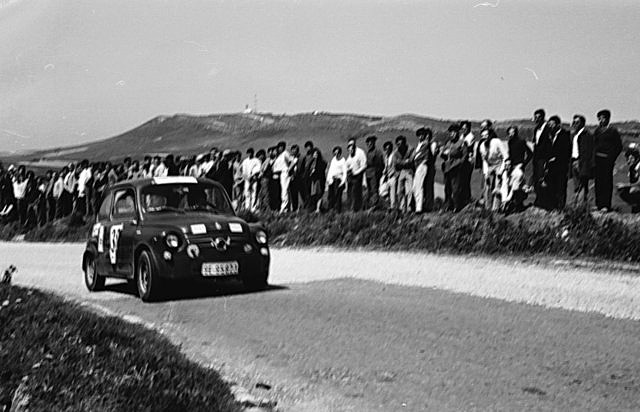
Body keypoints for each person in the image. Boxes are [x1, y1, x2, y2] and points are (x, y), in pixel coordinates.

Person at [593, 109, 623, 211]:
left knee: (606, 182)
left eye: (603, 118)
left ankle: (606, 205)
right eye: (599, 119)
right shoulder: (597, 131)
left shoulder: (612, 131)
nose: (601, 120)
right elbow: (594, 144)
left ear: (607, 119)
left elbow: (618, 146)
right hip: (597, 159)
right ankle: (598, 204)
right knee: (598, 182)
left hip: (607, 160)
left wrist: (611, 157)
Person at [544, 115, 572, 210]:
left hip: (561, 166)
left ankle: (560, 207)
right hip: (551, 166)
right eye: (549, 124)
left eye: (552, 124)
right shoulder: (550, 135)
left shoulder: (564, 135)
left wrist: (556, 158)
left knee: (560, 186)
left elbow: (566, 151)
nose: (550, 126)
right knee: (551, 186)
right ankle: (552, 206)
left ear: (558, 125)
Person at [504, 126, 532, 212]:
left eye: (512, 132)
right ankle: (514, 205)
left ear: (516, 132)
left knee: (517, 186)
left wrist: (523, 164)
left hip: (519, 166)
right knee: (511, 185)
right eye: (509, 132)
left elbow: (530, 153)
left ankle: (518, 205)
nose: (511, 134)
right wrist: (508, 161)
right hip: (511, 166)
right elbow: (511, 154)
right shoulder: (510, 142)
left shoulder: (521, 141)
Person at [478, 129, 508, 211]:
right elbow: (484, 160)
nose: (485, 137)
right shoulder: (482, 146)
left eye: (486, 135)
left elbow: (505, 155)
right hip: (489, 165)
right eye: (483, 136)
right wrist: (486, 172)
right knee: (487, 187)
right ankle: (488, 207)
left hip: (499, 164)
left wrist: (501, 170)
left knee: (497, 187)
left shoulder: (496, 142)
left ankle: (496, 208)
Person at [442, 125, 469, 211]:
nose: (452, 134)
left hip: (456, 167)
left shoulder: (461, 143)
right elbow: (444, 154)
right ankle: (448, 205)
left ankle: (457, 205)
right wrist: (443, 154)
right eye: (451, 132)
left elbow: (465, 156)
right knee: (447, 188)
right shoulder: (448, 143)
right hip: (447, 167)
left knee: (456, 188)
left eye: (454, 132)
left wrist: (459, 163)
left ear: (457, 133)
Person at [570, 114, 594, 206]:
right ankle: (576, 203)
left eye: (577, 122)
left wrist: (585, 163)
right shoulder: (574, 135)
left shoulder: (587, 135)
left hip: (582, 162)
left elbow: (588, 150)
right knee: (576, 184)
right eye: (574, 122)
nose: (575, 124)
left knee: (583, 184)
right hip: (574, 160)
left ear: (582, 123)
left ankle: (581, 204)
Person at [531, 109, 553, 208]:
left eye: (538, 117)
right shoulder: (536, 129)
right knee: (537, 179)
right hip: (536, 158)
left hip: (544, 158)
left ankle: (545, 202)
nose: (536, 119)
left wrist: (548, 159)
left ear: (542, 118)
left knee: (543, 179)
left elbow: (549, 144)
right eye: (535, 117)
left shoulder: (548, 129)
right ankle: (538, 200)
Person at [412, 128, 432, 214]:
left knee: (419, 187)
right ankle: (418, 206)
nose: (420, 137)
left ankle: (419, 207)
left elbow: (423, 157)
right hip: (418, 166)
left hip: (421, 166)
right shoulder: (419, 145)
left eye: (422, 135)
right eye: (419, 135)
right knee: (415, 187)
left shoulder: (425, 144)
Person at [392, 136, 414, 212]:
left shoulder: (410, 149)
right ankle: (401, 207)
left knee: (410, 190)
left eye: (400, 143)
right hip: (401, 172)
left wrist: (401, 162)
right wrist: (405, 162)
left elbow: (411, 160)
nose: (399, 145)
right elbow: (395, 163)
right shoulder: (395, 152)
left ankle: (409, 207)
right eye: (397, 144)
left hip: (409, 171)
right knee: (399, 191)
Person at [345, 138, 367, 212]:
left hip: (357, 177)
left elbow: (364, 165)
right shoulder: (350, 153)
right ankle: (351, 209)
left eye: (352, 144)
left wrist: (356, 172)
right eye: (349, 145)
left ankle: (356, 209)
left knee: (356, 194)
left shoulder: (360, 152)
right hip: (350, 177)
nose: (350, 146)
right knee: (350, 194)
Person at [617, 143, 640, 212]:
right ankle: (636, 206)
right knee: (622, 190)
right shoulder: (632, 167)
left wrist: (626, 185)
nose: (628, 161)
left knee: (633, 190)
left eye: (631, 158)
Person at [364, 136, 384, 209]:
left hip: (374, 174)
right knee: (369, 190)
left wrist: (378, 174)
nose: (369, 144)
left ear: (374, 143)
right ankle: (370, 205)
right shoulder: (367, 153)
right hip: (368, 174)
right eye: (368, 143)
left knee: (374, 190)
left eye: (371, 142)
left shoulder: (377, 152)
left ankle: (375, 205)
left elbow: (381, 165)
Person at [326, 146, 347, 212]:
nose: (336, 155)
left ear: (340, 153)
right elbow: (330, 170)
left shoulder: (342, 161)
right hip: (332, 180)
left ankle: (338, 211)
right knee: (330, 196)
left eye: (337, 153)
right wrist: (328, 179)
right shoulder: (333, 160)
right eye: (335, 153)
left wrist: (343, 182)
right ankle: (330, 209)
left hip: (338, 180)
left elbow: (345, 172)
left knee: (337, 196)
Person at [273, 141, 292, 213]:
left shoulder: (285, 153)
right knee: (283, 191)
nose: (279, 148)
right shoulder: (280, 155)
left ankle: (284, 208)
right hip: (280, 174)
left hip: (285, 173)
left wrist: (289, 169)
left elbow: (292, 161)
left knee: (284, 191)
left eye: (280, 147)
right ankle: (286, 207)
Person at [380, 141, 397, 209]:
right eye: (385, 149)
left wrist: (392, 172)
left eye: (388, 149)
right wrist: (385, 171)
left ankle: (392, 207)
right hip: (387, 177)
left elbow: (395, 166)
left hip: (393, 177)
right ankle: (388, 203)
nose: (386, 151)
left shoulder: (394, 156)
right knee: (382, 191)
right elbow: (386, 166)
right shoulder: (386, 157)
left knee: (392, 194)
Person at [288, 144, 303, 211]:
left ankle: (302, 207)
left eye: (295, 150)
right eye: (293, 150)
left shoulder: (301, 158)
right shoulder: (289, 158)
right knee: (293, 193)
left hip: (299, 177)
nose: (294, 151)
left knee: (301, 193)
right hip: (291, 177)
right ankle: (294, 208)